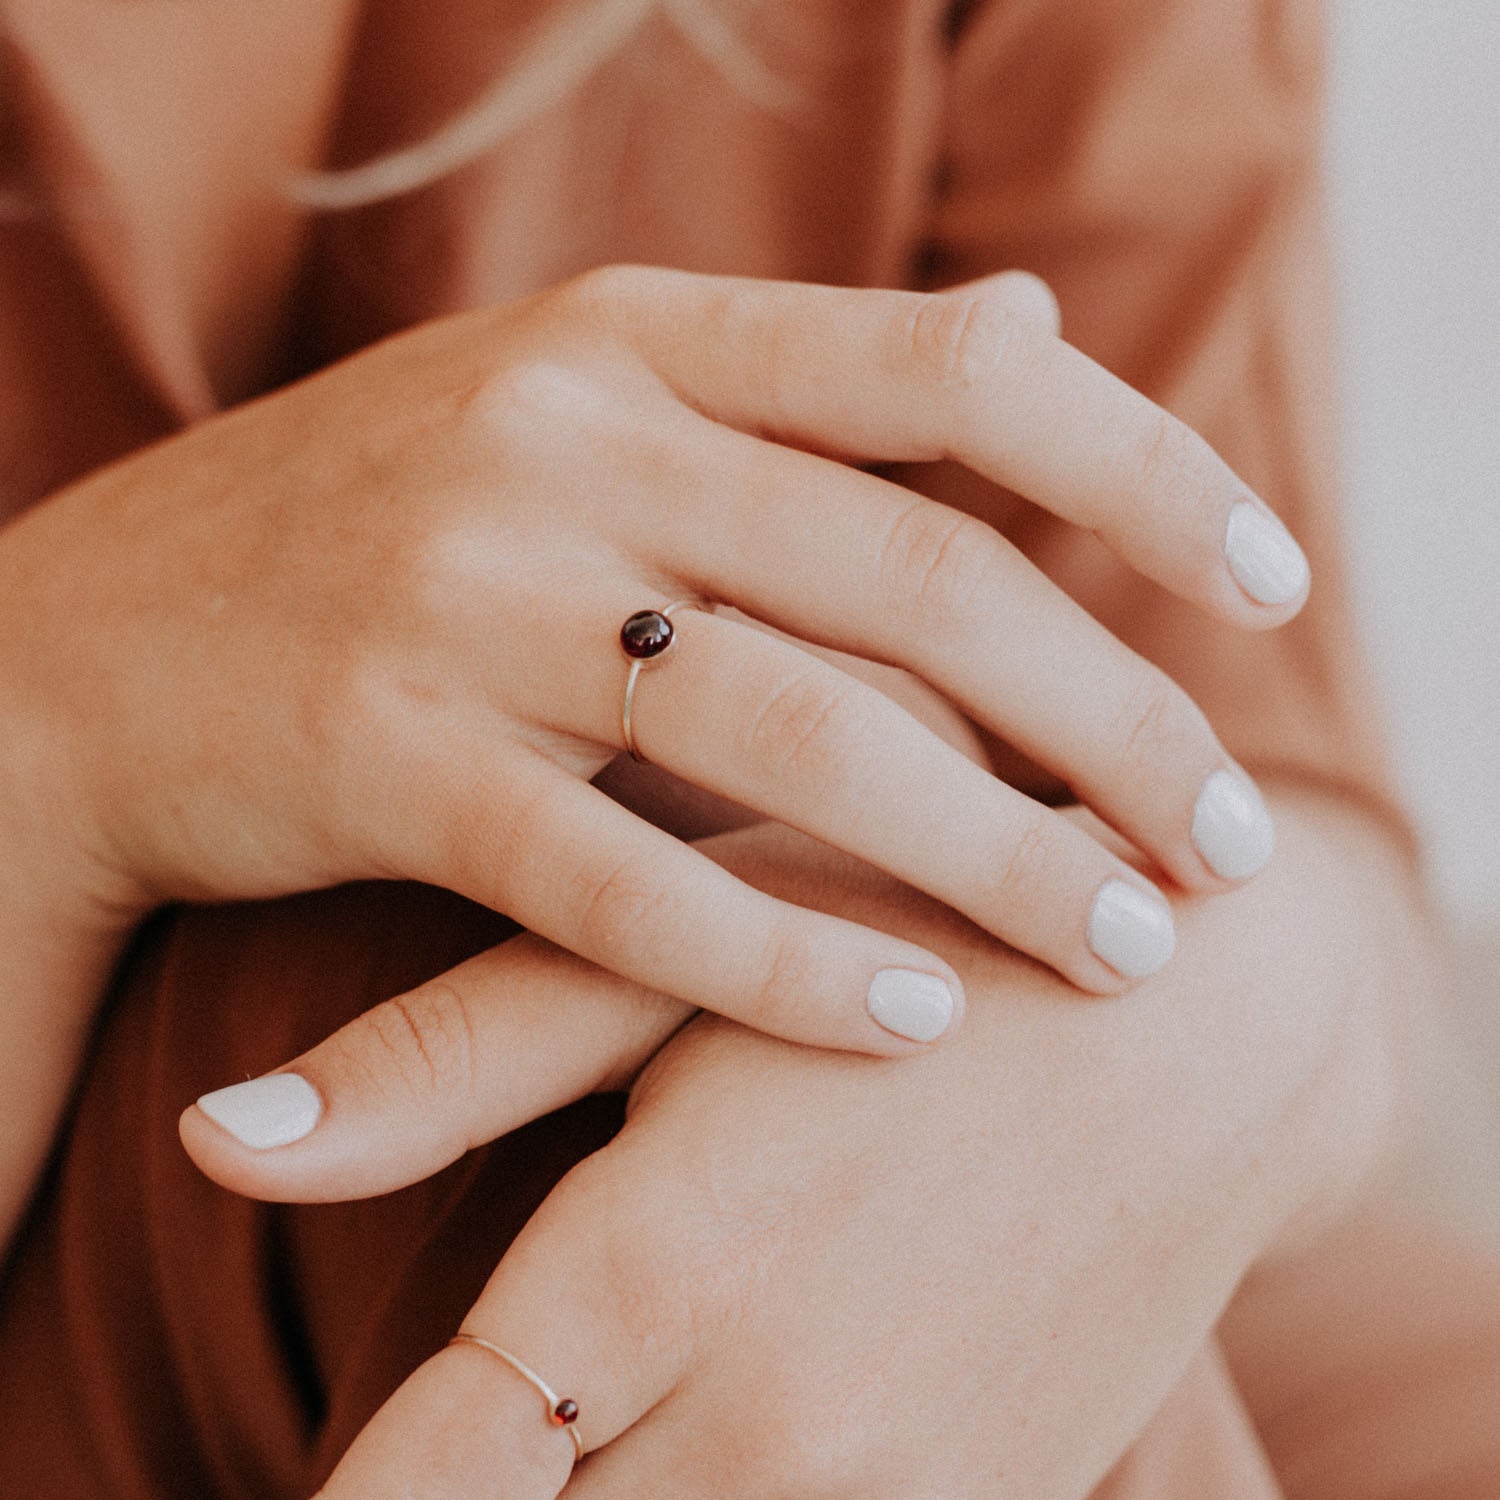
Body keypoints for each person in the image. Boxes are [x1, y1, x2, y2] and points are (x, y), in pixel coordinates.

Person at [0, 0, 1494, 1495]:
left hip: (995, 1218)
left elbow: (1292, 841)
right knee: (619, 896)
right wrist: (60, 701)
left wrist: (1173, 1032)